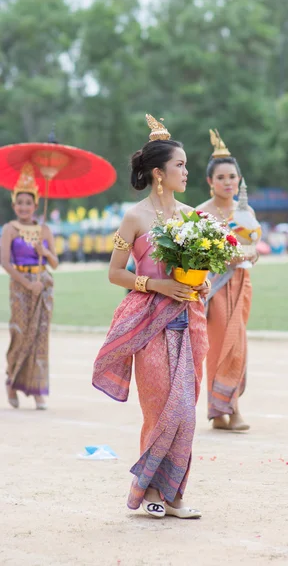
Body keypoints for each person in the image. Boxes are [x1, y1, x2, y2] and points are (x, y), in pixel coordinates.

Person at [92, 114, 209, 519]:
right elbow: (115, 272)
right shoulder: (135, 217)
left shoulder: (194, 217)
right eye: (180, 165)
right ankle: (151, 491)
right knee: (159, 409)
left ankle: (175, 493)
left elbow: (200, 268)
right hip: (150, 322)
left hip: (188, 323)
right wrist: (157, 285)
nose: (186, 171)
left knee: (185, 411)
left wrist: (199, 282)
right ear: (159, 173)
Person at [196, 130, 259, 432]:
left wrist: (253, 253)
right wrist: (224, 259)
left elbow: (254, 244)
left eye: (232, 176)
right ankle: (230, 410)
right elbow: (194, 256)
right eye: (221, 177)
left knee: (239, 344)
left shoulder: (245, 211)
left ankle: (219, 410)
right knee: (222, 345)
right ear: (210, 182)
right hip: (213, 288)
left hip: (242, 284)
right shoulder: (199, 214)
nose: (228, 182)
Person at [1, 165, 59, 410]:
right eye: (19, 203)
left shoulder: (45, 229)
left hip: (43, 286)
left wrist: (44, 252)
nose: (23, 207)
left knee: (40, 337)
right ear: (14, 205)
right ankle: (12, 383)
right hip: (21, 288)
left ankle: (37, 390)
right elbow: (4, 261)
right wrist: (26, 283)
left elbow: (55, 263)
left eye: (28, 203)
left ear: (36, 204)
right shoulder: (10, 229)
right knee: (21, 334)